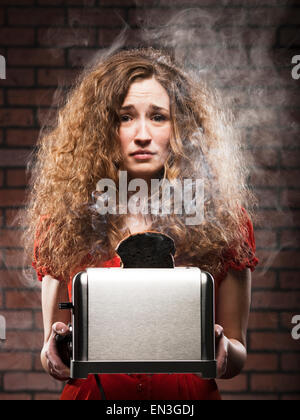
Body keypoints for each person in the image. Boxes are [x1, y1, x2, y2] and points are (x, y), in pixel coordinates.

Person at [22, 47, 259, 400]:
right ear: (102, 127)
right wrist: (55, 354)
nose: (143, 134)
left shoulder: (224, 219)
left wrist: (222, 351)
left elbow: (236, 350)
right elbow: (51, 351)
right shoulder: (62, 220)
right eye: (125, 117)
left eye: (159, 117)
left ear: (181, 128)